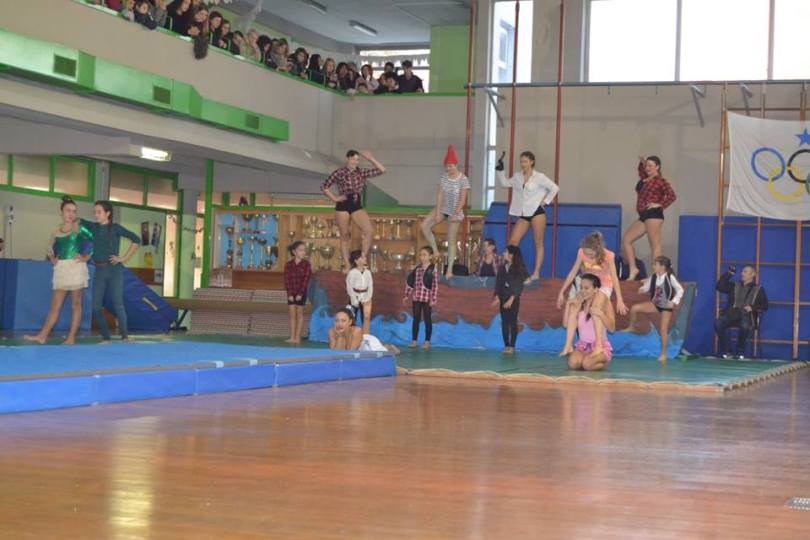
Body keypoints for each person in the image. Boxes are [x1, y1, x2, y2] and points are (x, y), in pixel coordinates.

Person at [24, 196, 92, 345]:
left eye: (74, 211)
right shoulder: (56, 231)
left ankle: (71, 337)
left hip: (76, 267)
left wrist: (85, 257)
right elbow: (50, 247)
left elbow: (94, 242)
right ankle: (42, 336)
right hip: (61, 268)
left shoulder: (80, 228)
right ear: (61, 212)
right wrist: (52, 258)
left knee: (76, 304)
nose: (71, 214)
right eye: (68, 210)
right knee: (55, 305)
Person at [80, 201, 141, 343]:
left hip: (114, 270)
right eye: (94, 212)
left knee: (118, 303)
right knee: (95, 306)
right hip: (99, 270)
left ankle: (125, 336)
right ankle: (106, 337)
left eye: (99, 212)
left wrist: (123, 258)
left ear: (108, 213)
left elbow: (136, 240)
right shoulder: (93, 227)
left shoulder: (115, 228)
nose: (95, 215)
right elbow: (77, 221)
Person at [496, 150, 559, 283]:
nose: (522, 164)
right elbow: (505, 183)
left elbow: (554, 188)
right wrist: (500, 170)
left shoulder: (539, 177)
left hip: (537, 212)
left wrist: (545, 202)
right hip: (523, 213)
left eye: (525, 161)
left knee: (538, 242)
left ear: (532, 162)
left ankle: (536, 273)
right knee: (512, 242)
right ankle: (512, 271)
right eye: (521, 161)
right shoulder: (517, 176)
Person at [557, 232, 626, 349]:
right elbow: (573, 271)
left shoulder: (608, 256)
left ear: (598, 250)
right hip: (588, 284)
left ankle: (599, 344)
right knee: (574, 307)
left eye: (590, 254)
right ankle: (568, 345)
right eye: (586, 253)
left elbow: (614, 277)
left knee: (596, 307)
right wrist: (561, 291)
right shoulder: (581, 253)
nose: (587, 256)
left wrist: (620, 299)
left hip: (604, 285)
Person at [321, 150, 386, 268]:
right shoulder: (339, 172)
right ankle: (346, 264)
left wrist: (371, 159)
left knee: (369, 231)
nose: (356, 162)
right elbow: (324, 186)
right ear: (347, 159)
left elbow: (382, 170)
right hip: (343, 204)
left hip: (356, 204)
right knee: (345, 235)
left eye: (357, 160)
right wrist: (335, 198)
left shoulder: (361, 172)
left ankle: (362, 258)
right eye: (353, 159)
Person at [621, 155, 676, 281]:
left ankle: (656, 275)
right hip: (643, 215)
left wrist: (660, 204)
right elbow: (641, 171)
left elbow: (672, 195)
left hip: (654, 214)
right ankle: (633, 268)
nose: (648, 168)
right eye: (647, 165)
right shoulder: (644, 179)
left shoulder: (660, 180)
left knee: (655, 245)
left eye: (651, 165)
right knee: (627, 239)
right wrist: (642, 163)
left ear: (658, 166)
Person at [421, 144, 470, 279]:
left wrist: (455, 214)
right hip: (444, 208)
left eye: (451, 166)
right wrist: (437, 213)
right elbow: (439, 195)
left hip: (456, 211)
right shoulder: (444, 177)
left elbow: (463, 199)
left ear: (456, 164)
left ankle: (449, 270)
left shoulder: (463, 179)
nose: (449, 168)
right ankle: (435, 251)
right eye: (447, 166)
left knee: (451, 239)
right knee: (424, 225)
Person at [623, 256, 684, 362]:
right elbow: (646, 287)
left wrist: (673, 302)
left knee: (663, 329)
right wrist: (641, 288)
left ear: (662, 267)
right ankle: (631, 327)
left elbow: (680, 290)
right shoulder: (654, 277)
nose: (653, 266)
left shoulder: (670, 277)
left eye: (655, 264)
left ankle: (663, 354)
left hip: (665, 306)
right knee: (634, 308)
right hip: (655, 304)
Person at [562, 273, 614, 371]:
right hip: (583, 345)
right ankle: (586, 359)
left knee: (587, 365)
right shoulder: (578, 303)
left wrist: (601, 314)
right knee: (573, 364)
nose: (582, 291)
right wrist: (568, 305)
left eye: (586, 288)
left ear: (595, 289)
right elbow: (565, 324)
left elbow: (612, 328)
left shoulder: (605, 303)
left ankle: (603, 362)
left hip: (600, 346)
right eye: (581, 288)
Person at [715, 265, 768, 359]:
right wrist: (729, 274)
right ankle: (728, 351)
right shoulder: (734, 285)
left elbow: (765, 305)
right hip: (732, 314)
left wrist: (752, 307)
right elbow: (719, 286)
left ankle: (740, 352)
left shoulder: (758, 289)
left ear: (753, 274)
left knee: (745, 325)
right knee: (718, 324)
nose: (742, 273)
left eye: (745, 272)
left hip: (746, 316)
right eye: (742, 271)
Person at [491, 245, 528, 354]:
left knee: (512, 322)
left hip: (513, 299)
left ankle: (512, 346)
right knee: (504, 322)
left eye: (506, 252)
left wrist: (512, 298)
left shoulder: (518, 269)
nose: (503, 254)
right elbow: (499, 283)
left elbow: (518, 285)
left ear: (511, 255)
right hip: (503, 297)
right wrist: (497, 296)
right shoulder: (503, 267)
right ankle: (506, 345)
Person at [403, 246, 438, 350]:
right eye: (421, 255)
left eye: (425, 255)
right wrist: (406, 295)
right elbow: (411, 283)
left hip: (427, 298)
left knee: (427, 319)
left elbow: (435, 285)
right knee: (416, 319)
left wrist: (434, 299)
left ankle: (427, 341)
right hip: (417, 298)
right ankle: (414, 341)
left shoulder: (433, 269)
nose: (422, 257)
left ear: (430, 256)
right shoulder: (417, 269)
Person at [328, 307, 399, 354]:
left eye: (343, 321)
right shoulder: (331, 331)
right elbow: (333, 354)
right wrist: (340, 336)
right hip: (359, 344)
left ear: (350, 322)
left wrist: (341, 337)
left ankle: (389, 347)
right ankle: (385, 345)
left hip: (368, 344)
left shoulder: (357, 331)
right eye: (337, 320)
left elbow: (350, 354)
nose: (339, 324)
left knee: (385, 352)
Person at [283, 240, 312, 345]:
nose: (303, 252)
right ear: (294, 252)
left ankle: (297, 337)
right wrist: (290, 294)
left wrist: (300, 294)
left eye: (304, 250)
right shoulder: (288, 265)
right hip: (291, 293)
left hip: (301, 293)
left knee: (299, 315)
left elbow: (306, 280)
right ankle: (292, 337)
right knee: (292, 315)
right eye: (301, 250)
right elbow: (287, 280)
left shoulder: (306, 264)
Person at [346, 250, 373, 335]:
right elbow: (349, 287)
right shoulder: (352, 273)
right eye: (362, 257)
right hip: (355, 297)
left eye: (364, 257)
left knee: (366, 317)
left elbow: (370, 286)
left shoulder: (368, 272)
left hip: (366, 297)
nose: (365, 258)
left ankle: (366, 337)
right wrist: (354, 300)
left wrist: (368, 297)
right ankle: (351, 337)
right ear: (356, 261)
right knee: (352, 318)